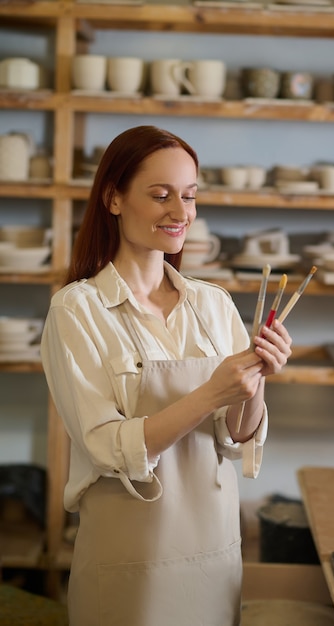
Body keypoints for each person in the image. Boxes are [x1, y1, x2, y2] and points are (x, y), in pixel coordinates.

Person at [40, 125, 292, 626]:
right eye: (160, 196)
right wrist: (209, 393)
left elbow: (235, 434)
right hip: (130, 562)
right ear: (113, 198)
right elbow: (107, 448)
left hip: (214, 556)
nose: (181, 214)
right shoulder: (78, 311)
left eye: (190, 196)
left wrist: (257, 380)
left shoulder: (213, 304)